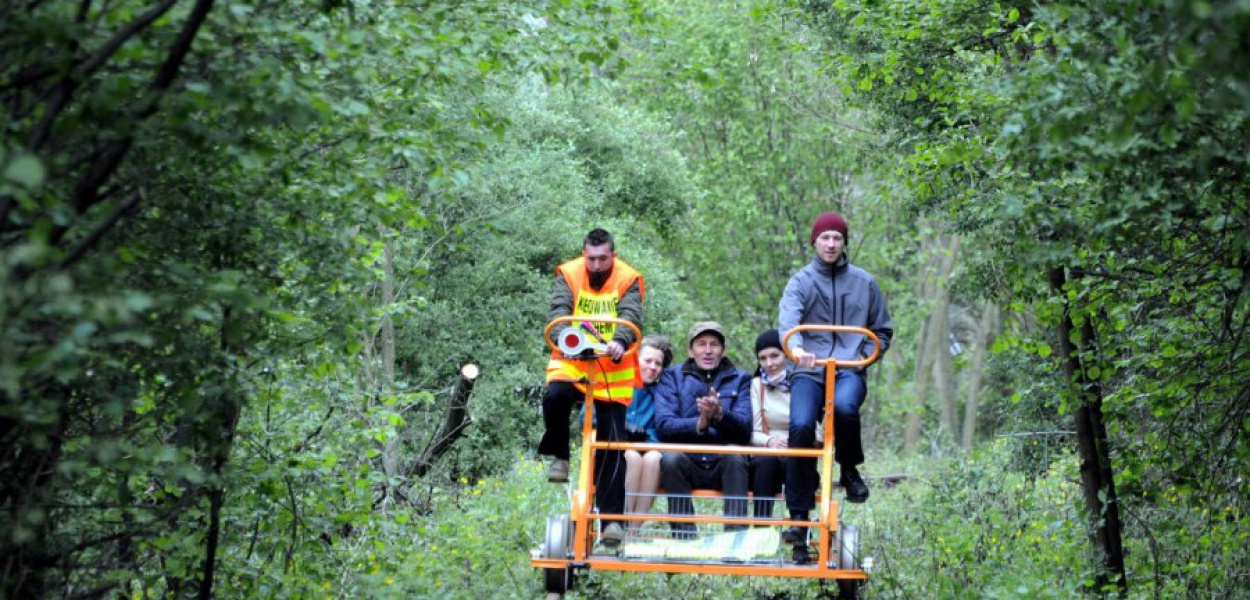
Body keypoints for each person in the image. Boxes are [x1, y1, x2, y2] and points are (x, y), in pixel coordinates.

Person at [779, 211, 892, 559]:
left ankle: (850, 467)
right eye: (824, 238)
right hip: (809, 369)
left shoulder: (864, 282)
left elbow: (882, 331)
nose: (830, 244)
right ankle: (798, 517)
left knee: (844, 407)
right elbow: (788, 322)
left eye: (837, 238)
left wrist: (866, 354)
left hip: (848, 366)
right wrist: (797, 350)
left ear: (844, 243)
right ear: (814, 241)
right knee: (799, 426)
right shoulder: (800, 282)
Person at [537, 228, 645, 546]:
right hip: (574, 356)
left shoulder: (628, 278)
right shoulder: (569, 273)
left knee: (612, 443)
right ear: (583, 254)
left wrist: (619, 340)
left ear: (613, 255)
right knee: (555, 395)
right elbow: (558, 311)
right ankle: (560, 456)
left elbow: (631, 316)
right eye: (591, 259)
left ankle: (612, 521)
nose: (596, 265)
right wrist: (565, 338)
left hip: (613, 367)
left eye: (603, 259)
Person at [654, 321, 753, 538]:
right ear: (690, 350)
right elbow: (663, 425)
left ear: (723, 350)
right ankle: (685, 540)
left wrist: (720, 415)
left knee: (736, 456)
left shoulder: (741, 379)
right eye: (701, 344)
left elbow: (745, 429)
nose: (708, 351)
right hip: (687, 461)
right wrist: (699, 424)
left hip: (724, 461)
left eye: (714, 344)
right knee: (670, 458)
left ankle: (734, 542)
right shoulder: (671, 377)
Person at [746, 328, 822, 519]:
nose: (769, 364)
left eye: (774, 356)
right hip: (767, 453)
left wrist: (795, 440)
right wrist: (769, 441)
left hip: (799, 450)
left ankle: (799, 528)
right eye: (763, 358)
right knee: (765, 462)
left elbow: (821, 430)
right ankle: (760, 529)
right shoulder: (757, 385)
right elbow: (752, 431)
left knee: (795, 461)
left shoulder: (807, 381)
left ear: (786, 355)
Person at [622, 336, 672, 534]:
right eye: (648, 361)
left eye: (658, 364)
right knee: (632, 456)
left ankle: (633, 531)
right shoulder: (618, 383)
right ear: (635, 360)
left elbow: (664, 427)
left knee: (653, 458)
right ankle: (620, 523)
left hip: (649, 449)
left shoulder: (661, 393)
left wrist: (645, 437)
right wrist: (623, 427)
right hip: (617, 449)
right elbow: (589, 418)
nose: (653, 367)